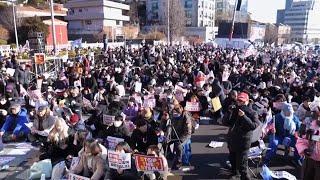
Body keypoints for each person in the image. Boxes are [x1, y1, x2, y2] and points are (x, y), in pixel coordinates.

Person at [225, 92, 259, 180]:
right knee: (232, 158)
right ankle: (235, 173)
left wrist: (244, 116)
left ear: (247, 101)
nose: (240, 103)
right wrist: (228, 112)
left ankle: (245, 177)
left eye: (242, 101)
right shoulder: (234, 110)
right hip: (233, 139)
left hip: (243, 141)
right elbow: (226, 122)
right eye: (238, 101)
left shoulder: (252, 112)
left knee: (242, 164)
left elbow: (253, 126)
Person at [170, 105, 193, 170]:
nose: (176, 113)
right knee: (165, 142)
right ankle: (169, 156)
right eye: (175, 110)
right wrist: (164, 120)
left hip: (184, 135)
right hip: (175, 133)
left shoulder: (186, 116)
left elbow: (188, 132)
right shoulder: (173, 115)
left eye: (178, 110)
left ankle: (179, 162)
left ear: (181, 109)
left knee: (178, 145)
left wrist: (180, 139)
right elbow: (167, 127)